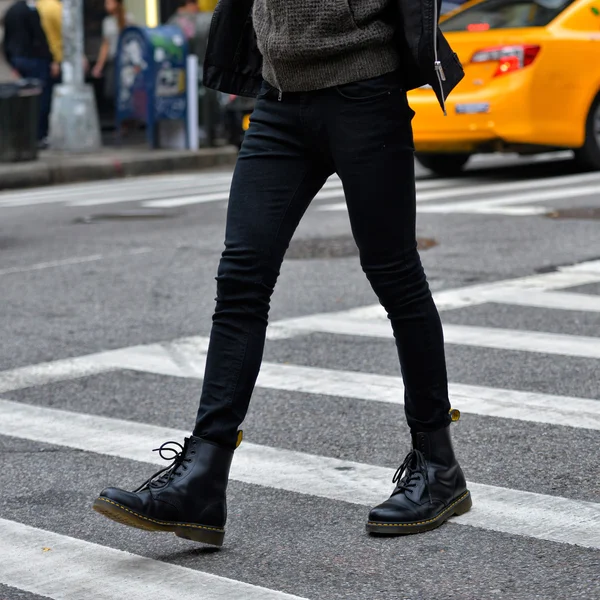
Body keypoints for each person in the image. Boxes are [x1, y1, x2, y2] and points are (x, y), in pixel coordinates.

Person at [93, 0, 472, 546]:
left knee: (394, 274)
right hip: (278, 95)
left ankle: (438, 467)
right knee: (241, 278)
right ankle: (203, 476)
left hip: (362, 88)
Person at [2, 0, 54, 145]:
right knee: (40, 98)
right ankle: (38, 135)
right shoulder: (30, 10)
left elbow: (7, 39)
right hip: (35, 59)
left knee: (24, 98)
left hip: (18, 59)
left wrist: (12, 62)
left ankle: (24, 135)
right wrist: (50, 58)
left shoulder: (11, 11)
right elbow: (39, 36)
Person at [91, 0, 132, 100]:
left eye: (108, 3)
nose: (106, 6)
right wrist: (99, 66)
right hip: (113, 60)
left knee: (127, 91)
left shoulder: (128, 19)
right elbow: (105, 45)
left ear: (117, 3)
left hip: (127, 61)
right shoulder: (107, 21)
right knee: (112, 92)